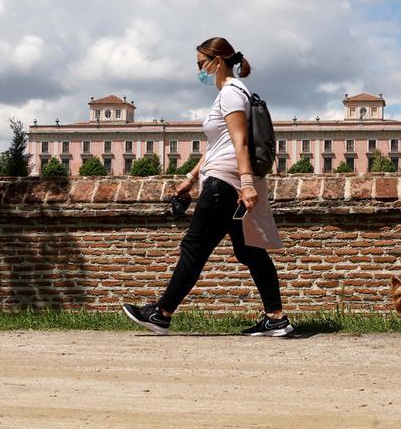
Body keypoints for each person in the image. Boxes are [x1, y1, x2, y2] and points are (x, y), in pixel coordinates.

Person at [122, 37, 291, 337]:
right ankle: (276, 318)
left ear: (217, 62)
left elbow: (240, 142)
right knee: (249, 251)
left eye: (201, 64)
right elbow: (218, 145)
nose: (199, 70)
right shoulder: (232, 94)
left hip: (225, 184)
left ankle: (161, 314)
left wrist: (248, 183)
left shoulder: (230, 94)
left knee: (193, 248)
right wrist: (190, 177)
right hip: (224, 180)